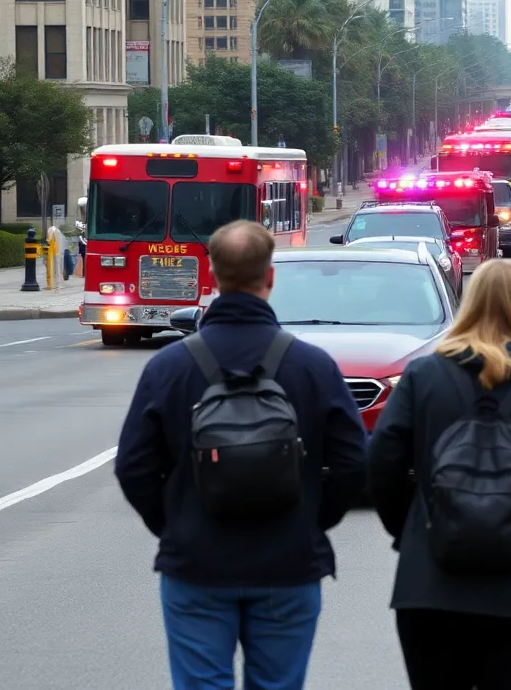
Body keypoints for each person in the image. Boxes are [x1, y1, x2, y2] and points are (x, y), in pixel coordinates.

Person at [114, 220, 368, 689]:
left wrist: (175, 525)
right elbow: (354, 461)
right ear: (269, 277)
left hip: (197, 562)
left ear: (211, 276)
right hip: (288, 561)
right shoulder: (312, 366)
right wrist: (312, 518)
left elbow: (133, 466)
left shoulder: (169, 367)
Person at [368, 258, 511, 690]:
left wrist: (415, 530)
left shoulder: (422, 377)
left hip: (429, 587)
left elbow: (382, 462)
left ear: (467, 305)